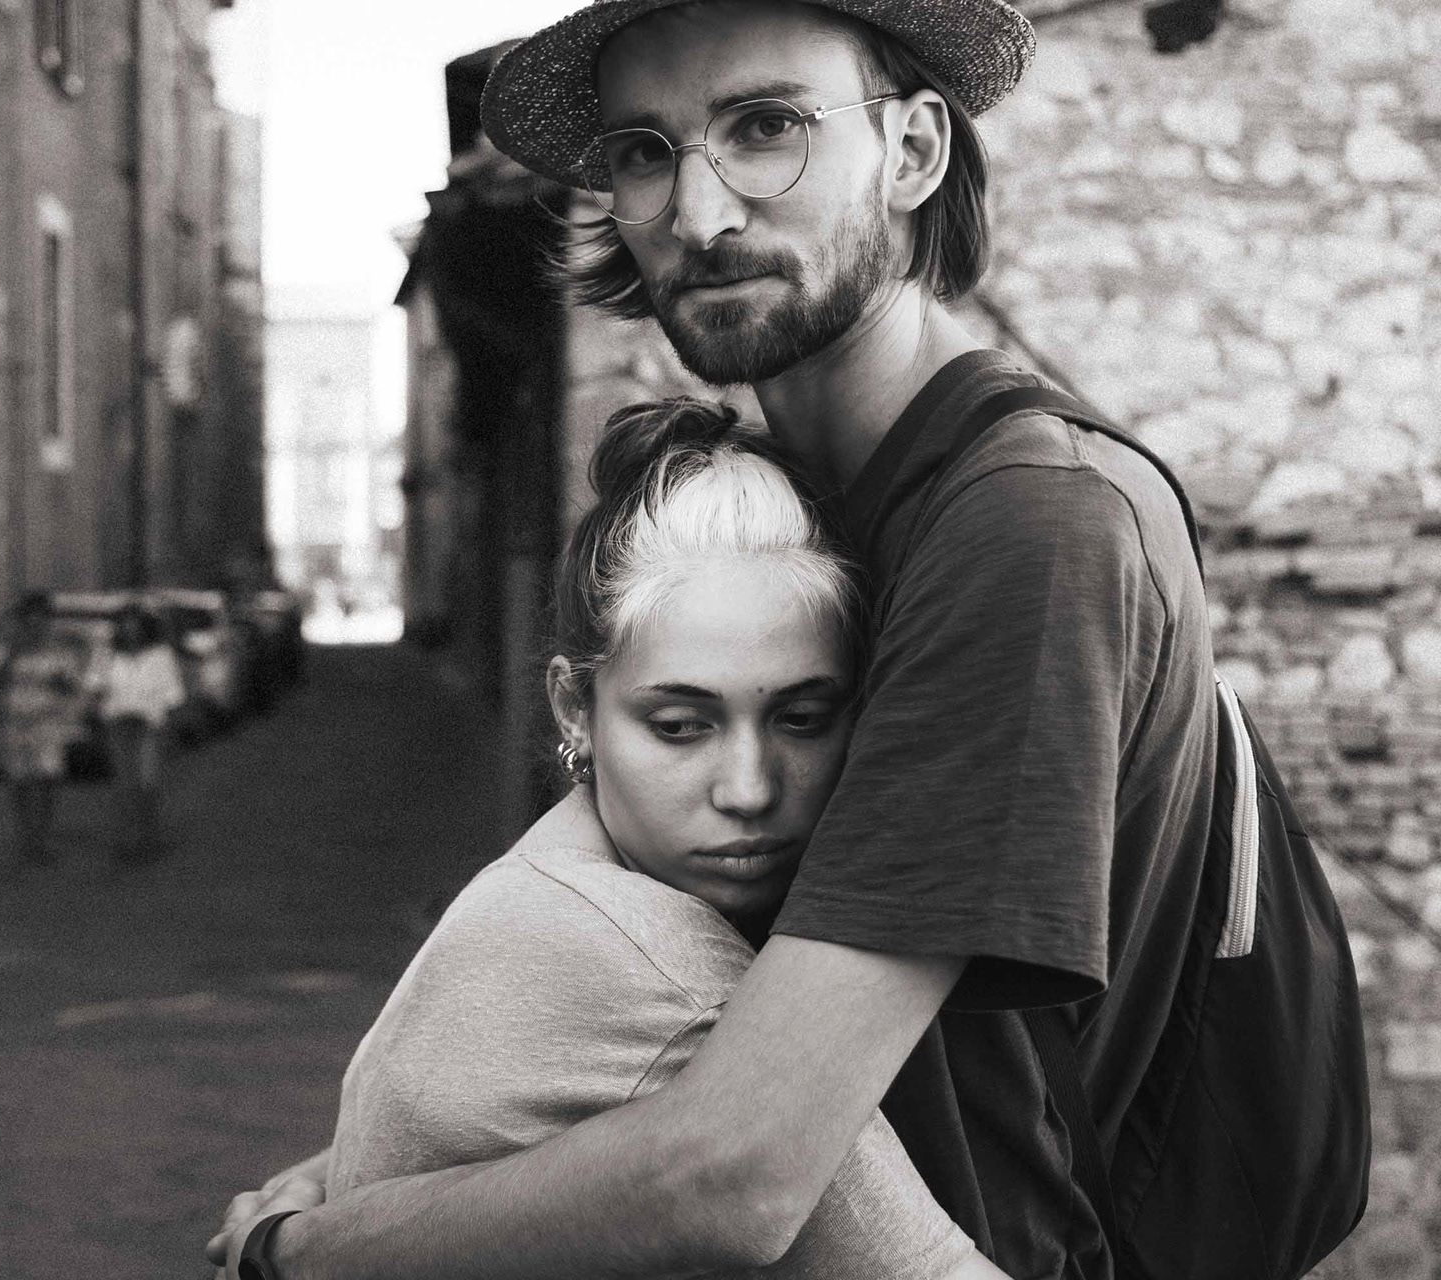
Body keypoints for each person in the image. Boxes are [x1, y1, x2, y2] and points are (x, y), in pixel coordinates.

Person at [211, 0, 1219, 1277]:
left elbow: (736, 1171)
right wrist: (409, 1166)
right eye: (645, 150)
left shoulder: (1025, 522)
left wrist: (304, 1249)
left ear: (913, 152)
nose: (697, 213)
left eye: (766, 126)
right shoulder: (793, 500)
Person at [246, 400, 1009, 1280]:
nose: (750, 790)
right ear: (575, 707)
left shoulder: (544, 884)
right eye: (680, 726)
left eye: (802, 719)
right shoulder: (653, 961)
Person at [0, 592, 99, 863]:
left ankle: (41, 838)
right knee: (20, 781)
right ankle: (25, 838)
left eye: (40, 617)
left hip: (48, 723)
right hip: (15, 723)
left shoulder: (59, 652)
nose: (35, 623)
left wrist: (60, 684)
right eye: (29, 617)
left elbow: (73, 687)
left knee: (46, 779)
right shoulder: (7, 651)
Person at [99, 604, 187, 858]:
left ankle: (148, 837)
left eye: (134, 624)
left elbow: (173, 695)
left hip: (149, 726)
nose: (130, 630)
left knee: (147, 783)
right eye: (125, 625)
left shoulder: (161, 656)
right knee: (124, 785)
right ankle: (126, 840)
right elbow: (95, 687)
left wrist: (169, 729)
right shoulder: (107, 656)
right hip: (119, 725)